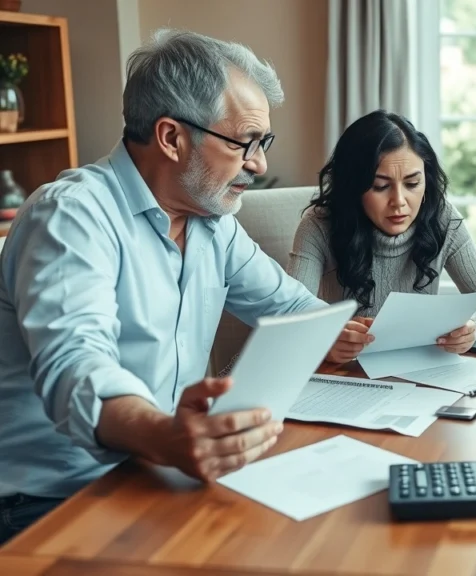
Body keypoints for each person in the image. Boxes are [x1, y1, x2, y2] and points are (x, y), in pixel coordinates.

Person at [0, 30, 350, 544]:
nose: (259, 164)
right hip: (53, 502)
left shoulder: (213, 223)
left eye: (263, 142)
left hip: (155, 471)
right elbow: (76, 366)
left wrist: (368, 331)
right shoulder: (72, 216)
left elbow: (295, 309)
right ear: (170, 137)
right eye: (244, 142)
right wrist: (166, 436)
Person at [287, 110, 476, 363]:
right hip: (345, 373)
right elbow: (291, 316)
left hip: (418, 370)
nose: (399, 202)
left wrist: (469, 325)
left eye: (412, 184)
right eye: (380, 186)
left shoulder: (442, 217)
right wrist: (326, 340)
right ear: (353, 187)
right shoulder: (318, 225)